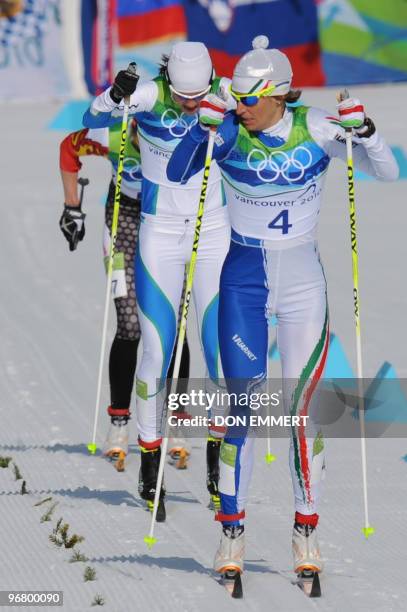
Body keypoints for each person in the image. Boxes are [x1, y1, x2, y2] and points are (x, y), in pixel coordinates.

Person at [167, 35, 398, 582]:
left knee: (300, 412)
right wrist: (206, 128)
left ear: (276, 94)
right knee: (243, 411)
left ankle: (305, 528)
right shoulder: (228, 130)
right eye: (236, 99)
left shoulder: (316, 127)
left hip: (301, 288)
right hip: (244, 282)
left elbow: (385, 171)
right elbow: (179, 173)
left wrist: (366, 133)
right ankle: (232, 531)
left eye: (247, 99)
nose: (239, 106)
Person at [82, 42, 234, 516]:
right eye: (184, 96)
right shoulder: (148, 94)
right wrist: (114, 95)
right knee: (155, 348)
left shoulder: (227, 92)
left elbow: (272, 110)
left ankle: (217, 471)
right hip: (160, 234)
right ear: (170, 82)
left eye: (199, 96)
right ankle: (151, 468)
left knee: (219, 355)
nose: (191, 105)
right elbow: (95, 117)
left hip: (213, 231)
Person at [59, 120, 190, 472]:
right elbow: (68, 150)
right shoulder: (110, 135)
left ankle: (175, 421)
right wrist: (73, 206)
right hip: (123, 222)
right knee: (131, 325)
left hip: (169, 226)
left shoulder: (178, 134)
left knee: (173, 327)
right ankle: (119, 425)